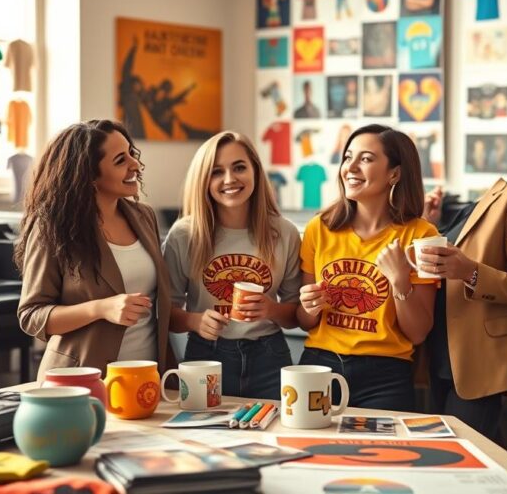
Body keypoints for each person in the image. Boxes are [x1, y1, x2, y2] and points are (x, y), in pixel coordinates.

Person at [295, 124, 439, 411]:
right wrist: (309, 307)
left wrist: (400, 281)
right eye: (348, 157)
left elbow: (418, 332)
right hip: (319, 365)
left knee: (385, 456)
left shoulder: (422, 236)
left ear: (394, 174)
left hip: (386, 376)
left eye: (366, 159)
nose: (351, 168)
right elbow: (304, 321)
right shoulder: (318, 228)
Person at [16, 120, 173, 379]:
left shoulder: (144, 217)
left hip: (146, 379)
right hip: (80, 382)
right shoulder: (52, 226)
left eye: (132, 154)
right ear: (88, 174)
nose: (135, 164)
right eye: (120, 160)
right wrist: (100, 309)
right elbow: (31, 315)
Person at [163, 132, 301, 399]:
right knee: (202, 432)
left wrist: (271, 309)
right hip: (206, 355)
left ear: (256, 172)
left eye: (239, 167)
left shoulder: (284, 233)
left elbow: (298, 315)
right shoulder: (184, 235)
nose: (229, 179)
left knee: (275, 433)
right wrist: (195, 320)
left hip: (269, 356)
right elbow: (165, 312)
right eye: (216, 172)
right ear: (203, 180)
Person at [419, 183, 507, 443]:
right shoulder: (439, 216)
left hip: (481, 364)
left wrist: (470, 272)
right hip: (434, 362)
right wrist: (428, 225)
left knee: (454, 459)